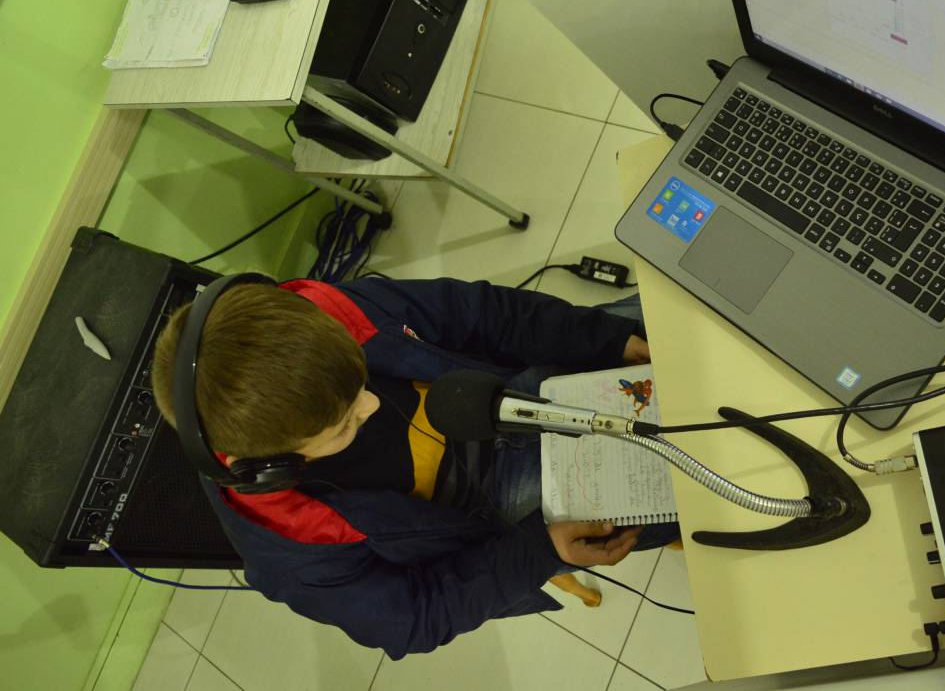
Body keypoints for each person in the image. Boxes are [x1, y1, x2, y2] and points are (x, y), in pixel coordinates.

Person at [150, 275, 679, 659]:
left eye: (361, 383)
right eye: (344, 424)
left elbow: (477, 312)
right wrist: (539, 552)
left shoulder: (322, 313)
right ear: (274, 466)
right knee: (685, 480)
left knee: (675, 320)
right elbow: (413, 619)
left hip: (497, 391)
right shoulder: (287, 549)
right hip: (491, 505)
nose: (372, 404)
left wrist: (608, 340)